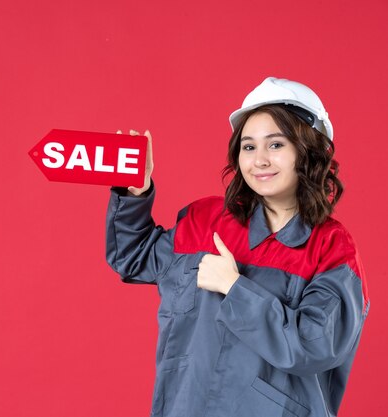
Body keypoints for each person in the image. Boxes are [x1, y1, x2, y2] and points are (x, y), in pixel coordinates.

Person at [106, 77, 370, 417]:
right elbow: (134, 257)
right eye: (248, 146)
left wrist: (235, 289)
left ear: (310, 153)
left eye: (276, 145)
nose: (259, 160)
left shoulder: (332, 249)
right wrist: (134, 194)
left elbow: (315, 344)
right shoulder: (206, 220)